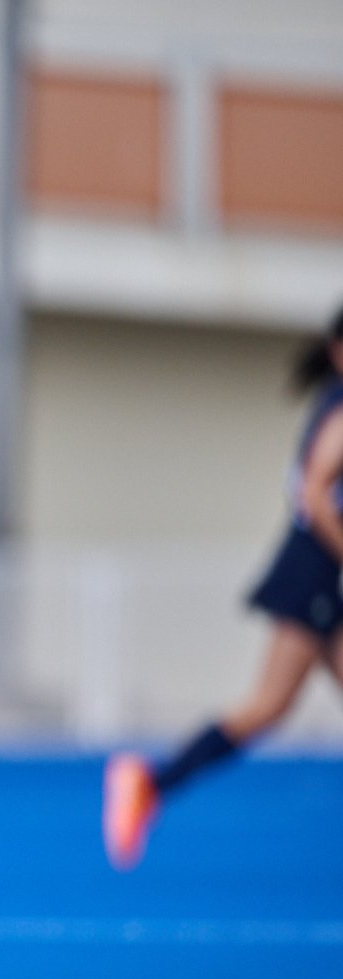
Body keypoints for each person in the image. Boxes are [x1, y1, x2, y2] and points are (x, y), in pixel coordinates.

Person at [104, 305, 343, 868]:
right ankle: (150, 782)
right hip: (315, 571)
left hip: (318, 570)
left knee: (270, 706)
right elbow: (315, 495)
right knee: (267, 706)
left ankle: (152, 783)